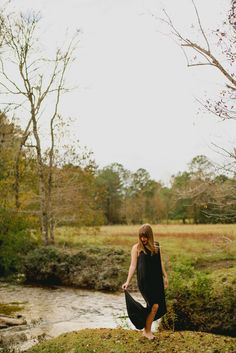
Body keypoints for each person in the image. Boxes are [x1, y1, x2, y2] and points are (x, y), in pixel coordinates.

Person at [122, 224, 168, 340]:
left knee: (156, 306)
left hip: (156, 280)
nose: (143, 239)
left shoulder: (156, 246)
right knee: (154, 305)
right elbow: (133, 265)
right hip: (144, 282)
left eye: (145, 237)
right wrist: (127, 281)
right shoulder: (136, 248)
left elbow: (160, 262)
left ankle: (146, 330)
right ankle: (147, 331)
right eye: (141, 237)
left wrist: (165, 277)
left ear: (150, 236)